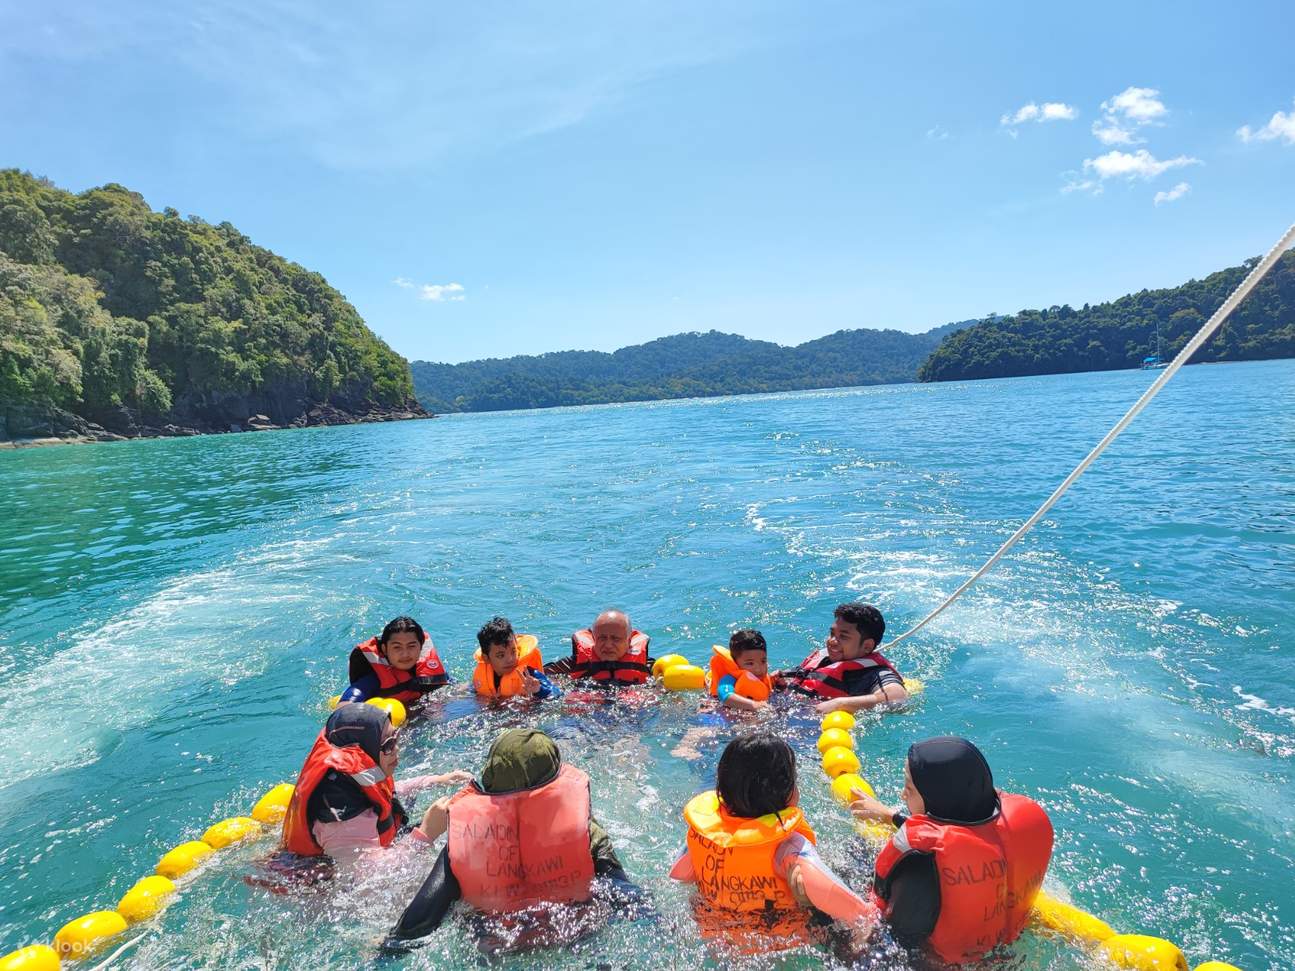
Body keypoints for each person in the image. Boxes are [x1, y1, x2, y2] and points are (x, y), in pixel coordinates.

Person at [387, 728, 647, 947]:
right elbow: (625, 893)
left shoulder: (466, 840)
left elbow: (418, 921)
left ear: (491, 776)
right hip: (575, 935)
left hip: (497, 943)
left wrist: (389, 948)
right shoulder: (585, 832)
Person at [849, 737, 1054, 964]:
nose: (902, 795)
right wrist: (892, 816)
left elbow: (895, 939)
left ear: (934, 799)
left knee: (856, 851)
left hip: (939, 962)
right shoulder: (1021, 821)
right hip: (1010, 946)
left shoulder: (923, 860)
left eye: (909, 788)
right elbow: (962, 831)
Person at [670, 732, 873, 946]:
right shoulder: (790, 847)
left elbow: (679, 875)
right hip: (780, 942)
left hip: (716, 939)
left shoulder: (704, 833)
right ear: (788, 793)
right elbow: (858, 914)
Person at [280, 704, 472, 865]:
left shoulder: (356, 773)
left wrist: (436, 780)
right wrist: (427, 833)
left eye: (396, 737)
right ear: (362, 750)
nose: (397, 748)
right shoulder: (341, 816)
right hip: (330, 885)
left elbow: (386, 790)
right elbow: (373, 879)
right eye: (388, 744)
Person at [776, 603, 908, 715]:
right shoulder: (824, 658)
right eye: (832, 633)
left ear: (867, 646)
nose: (832, 641)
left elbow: (897, 696)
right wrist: (782, 683)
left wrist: (840, 703)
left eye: (843, 637)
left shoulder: (874, 674)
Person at [340, 615, 449, 705]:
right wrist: (345, 709)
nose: (405, 654)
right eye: (397, 647)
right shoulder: (375, 678)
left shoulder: (430, 671)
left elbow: (450, 687)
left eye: (411, 646)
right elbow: (353, 695)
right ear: (385, 649)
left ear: (421, 647)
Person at [545, 609, 653, 685]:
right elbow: (542, 676)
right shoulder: (574, 663)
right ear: (594, 639)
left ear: (629, 641)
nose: (608, 645)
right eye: (602, 638)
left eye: (615, 639)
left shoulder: (647, 665)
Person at [471, 616, 558, 700]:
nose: (510, 659)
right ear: (486, 658)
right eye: (501, 655)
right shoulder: (483, 675)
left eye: (513, 651)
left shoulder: (529, 674)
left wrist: (538, 690)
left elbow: (557, 693)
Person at [707, 629, 774, 711]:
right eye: (750, 663)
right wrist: (754, 705)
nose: (758, 669)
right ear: (735, 662)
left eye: (763, 661)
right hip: (724, 709)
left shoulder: (763, 677)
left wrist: (777, 682)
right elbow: (725, 696)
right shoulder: (730, 679)